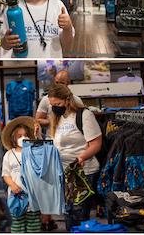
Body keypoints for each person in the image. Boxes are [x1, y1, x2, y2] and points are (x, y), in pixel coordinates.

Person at [40, 84, 102, 230]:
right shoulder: (56, 116)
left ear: (68, 100)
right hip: (63, 172)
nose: (55, 107)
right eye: (52, 105)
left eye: (58, 104)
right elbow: (54, 142)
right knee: (68, 212)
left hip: (82, 172)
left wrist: (81, 157)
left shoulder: (84, 115)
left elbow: (96, 144)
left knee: (79, 214)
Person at [1, 117, 42, 233]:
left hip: (33, 196)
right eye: (19, 136)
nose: (23, 138)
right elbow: (5, 174)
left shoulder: (34, 151)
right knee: (17, 226)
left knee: (33, 226)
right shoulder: (9, 155)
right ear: (13, 138)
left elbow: (43, 151)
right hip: (16, 197)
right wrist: (12, 185)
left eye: (25, 135)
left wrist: (38, 134)